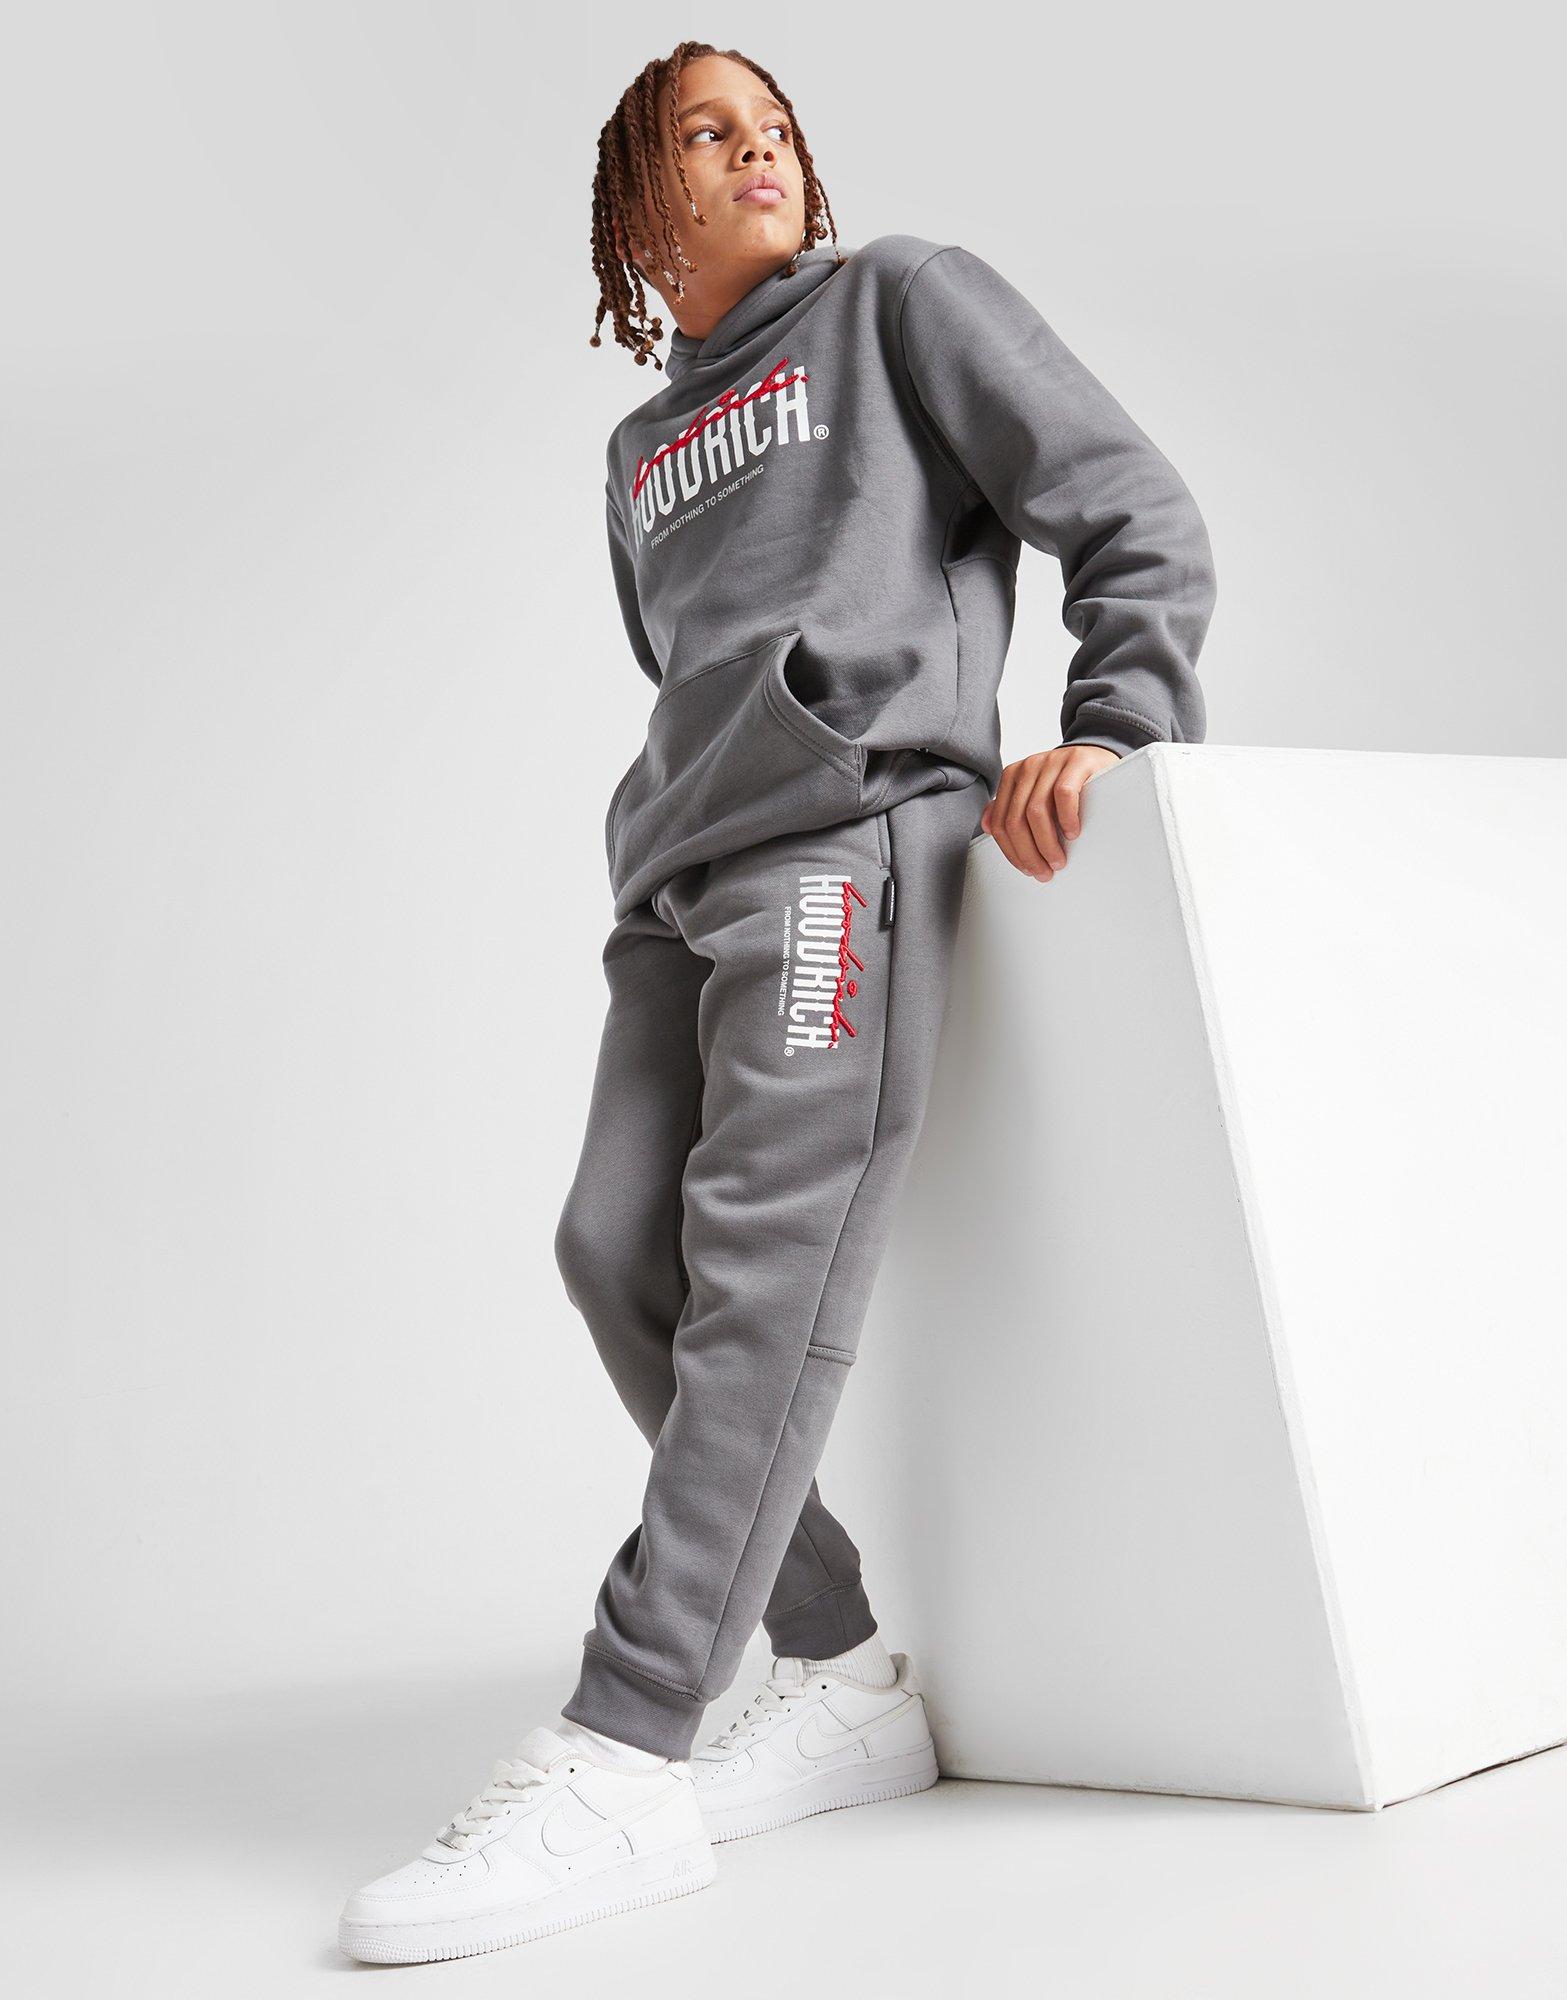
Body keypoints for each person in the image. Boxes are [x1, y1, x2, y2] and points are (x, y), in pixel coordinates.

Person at [339, 38, 1216, 1964]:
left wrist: (1114, 725)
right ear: (634, 217)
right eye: (706, 135)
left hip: (848, 845)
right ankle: (837, 1669)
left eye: (778, 128)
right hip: (677, 879)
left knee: (757, 1266)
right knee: (612, 1252)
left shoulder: (902, 300)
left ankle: (625, 1742)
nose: (761, 152)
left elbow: (1134, 506)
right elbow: (685, 662)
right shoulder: (635, 453)